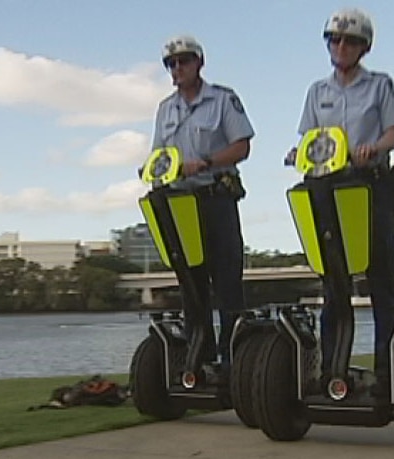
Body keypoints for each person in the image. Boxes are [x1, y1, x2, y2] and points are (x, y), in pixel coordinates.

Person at [294, 8, 394, 401]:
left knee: (381, 281)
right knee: (334, 284)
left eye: (350, 41)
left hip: (370, 188)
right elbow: (310, 140)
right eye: (335, 39)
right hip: (329, 193)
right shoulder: (317, 92)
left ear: (364, 47)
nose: (341, 46)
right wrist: (297, 153)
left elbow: (393, 136)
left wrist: (372, 148)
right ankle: (332, 371)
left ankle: (388, 375)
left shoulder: (379, 86)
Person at [149, 35, 255, 373]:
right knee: (191, 285)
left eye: (184, 61)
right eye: (171, 63)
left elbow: (242, 147)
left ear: (199, 63)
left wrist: (206, 162)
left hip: (214, 198)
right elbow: (159, 156)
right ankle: (200, 359)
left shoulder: (223, 99)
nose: (177, 68)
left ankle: (235, 362)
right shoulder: (166, 109)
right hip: (180, 204)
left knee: (226, 283)